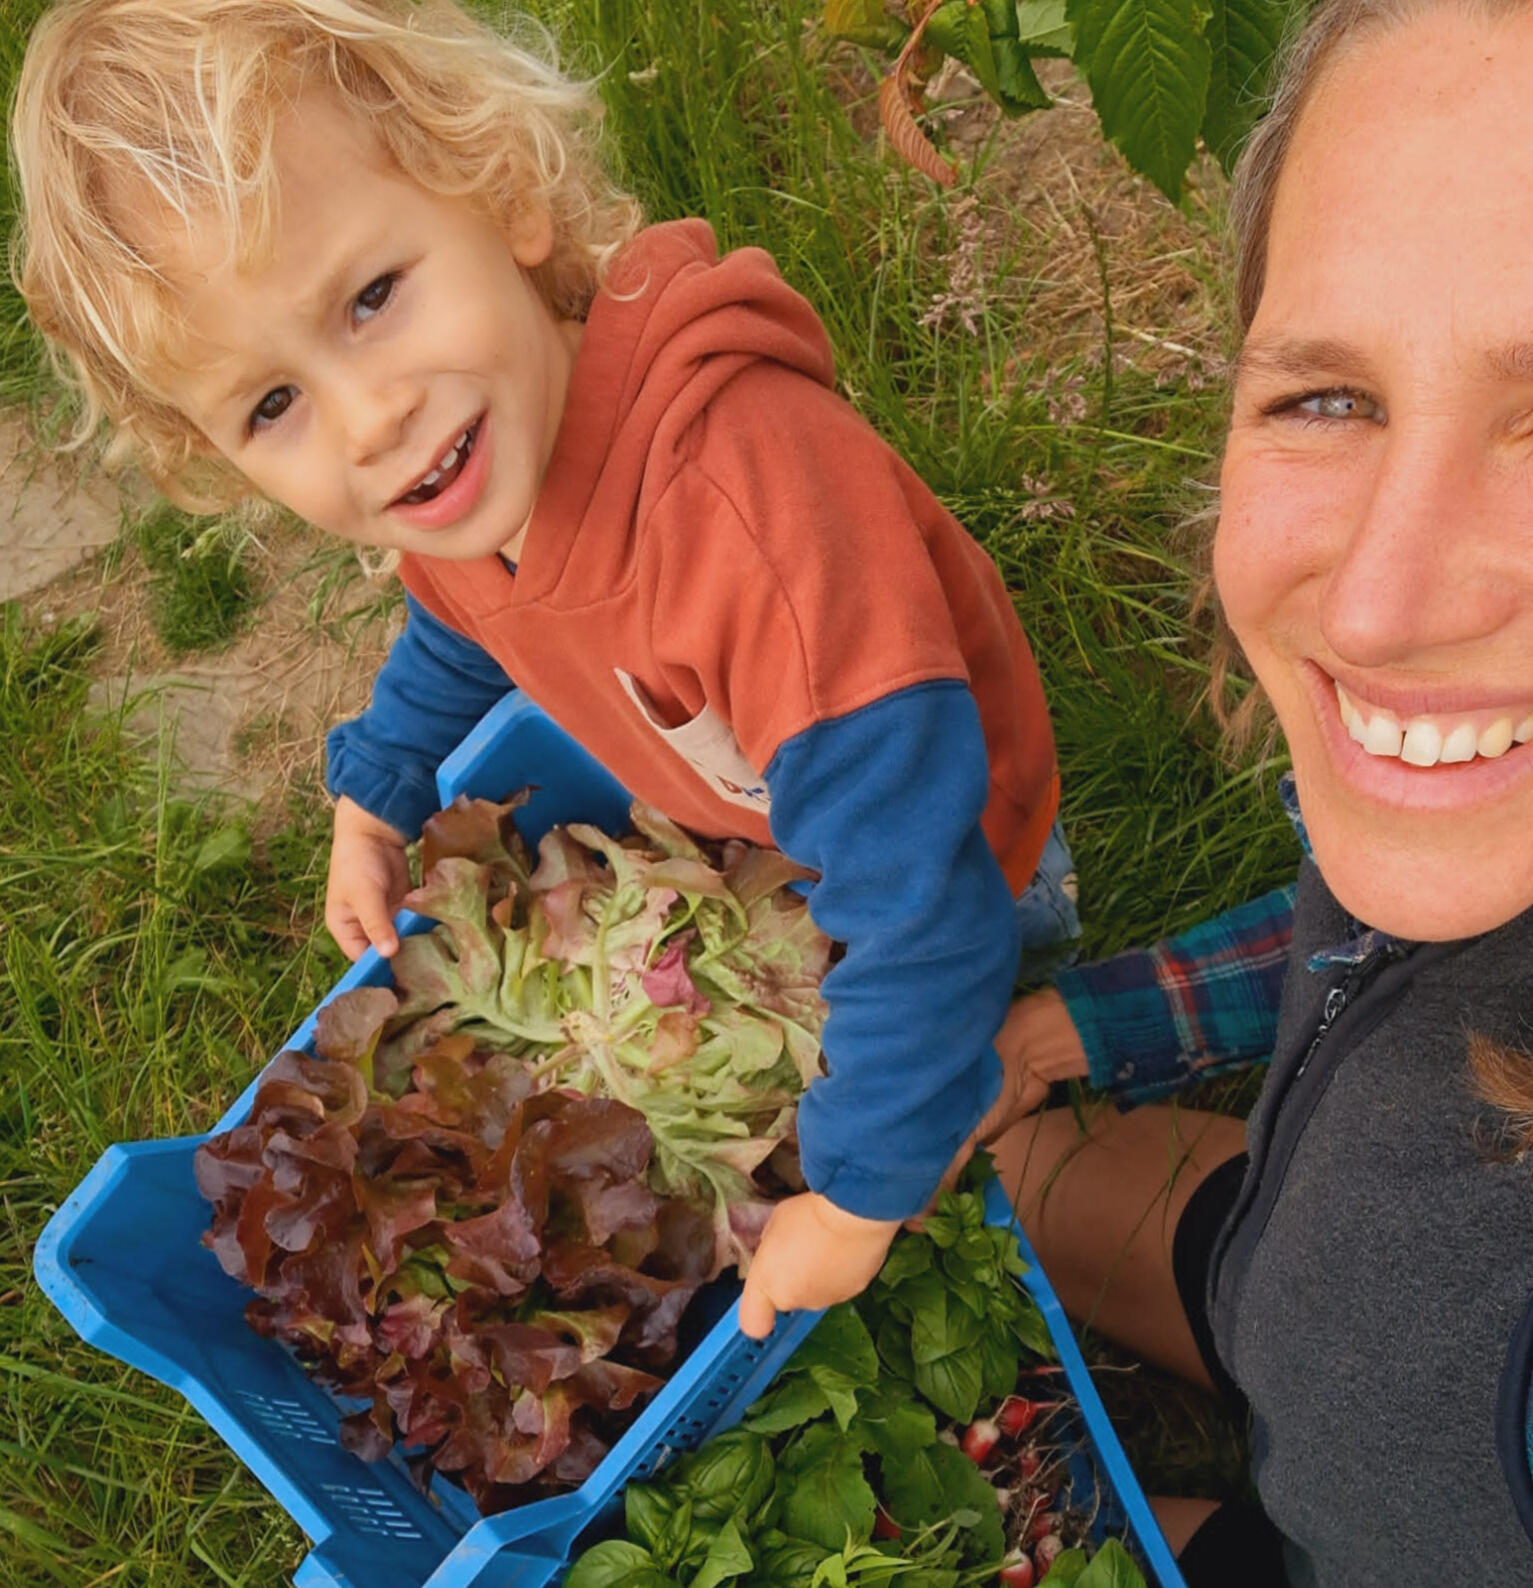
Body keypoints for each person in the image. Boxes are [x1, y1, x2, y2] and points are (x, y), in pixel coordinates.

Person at [10, 0, 1078, 1340]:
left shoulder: (745, 517)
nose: (368, 419)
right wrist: (378, 791)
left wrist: (860, 1197)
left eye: (372, 298)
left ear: (504, 197)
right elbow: (463, 620)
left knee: (971, 968)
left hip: (960, 832)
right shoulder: (476, 468)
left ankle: (1029, 1025)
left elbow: (922, 898)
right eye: (272, 405)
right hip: (783, 801)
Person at [975, 1, 1533, 1583]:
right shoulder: (1471, 808)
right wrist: (1073, 1034)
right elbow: (1374, 937)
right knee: (998, 1162)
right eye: (1327, 399)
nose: (1373, 609)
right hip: (1292, 1260)